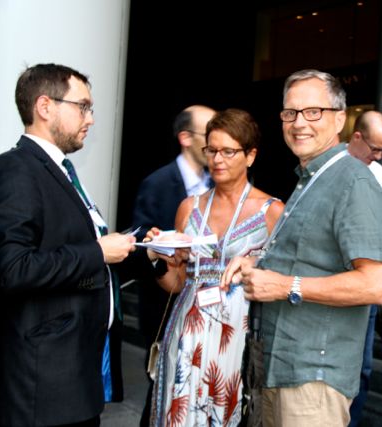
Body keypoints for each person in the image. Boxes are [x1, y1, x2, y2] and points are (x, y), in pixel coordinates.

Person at [221, 69, 382, 426]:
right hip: (278, 369)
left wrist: (285, 285)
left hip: (314, 381)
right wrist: (257, 265)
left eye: (313, 112)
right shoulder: (311, 179)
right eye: (290, 113)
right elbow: (309, 259)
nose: (299, 123)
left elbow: (376, 285)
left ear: (340, 119)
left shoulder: (354, 181)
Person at [0, 63, 136, 426]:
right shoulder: (16, 170)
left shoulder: (58, 169)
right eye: (83, 106)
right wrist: (98, 252)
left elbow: (72, 250)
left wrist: (140, 250)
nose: (90, 119)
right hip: (44, 385)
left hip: (72, 374)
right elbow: (13, 268)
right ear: (45, 107)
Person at [149, 108, 284, 426]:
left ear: (250, 156)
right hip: (188, 332)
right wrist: (158, 259)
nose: (218, 159)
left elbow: (281, 281)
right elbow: (176, 283)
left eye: (228, 151)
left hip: (238, 335)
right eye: (211, 150)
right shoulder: (189, 207)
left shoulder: (272, 212)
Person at [131, 104, 216, 426]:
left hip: (208, 310)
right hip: (165, 307)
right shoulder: (157, 183)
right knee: (164, 392)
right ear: (185, 138)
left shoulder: (217, 182)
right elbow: (141, 245)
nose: (214, 142)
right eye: (208, 134)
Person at [346, 110, 382, 426]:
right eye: (375, 148)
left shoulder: (379, 172)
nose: (379, 156)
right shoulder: (332, 164)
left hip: (369, 280)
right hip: (339, 280)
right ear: (357, 137)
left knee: (364, 366)